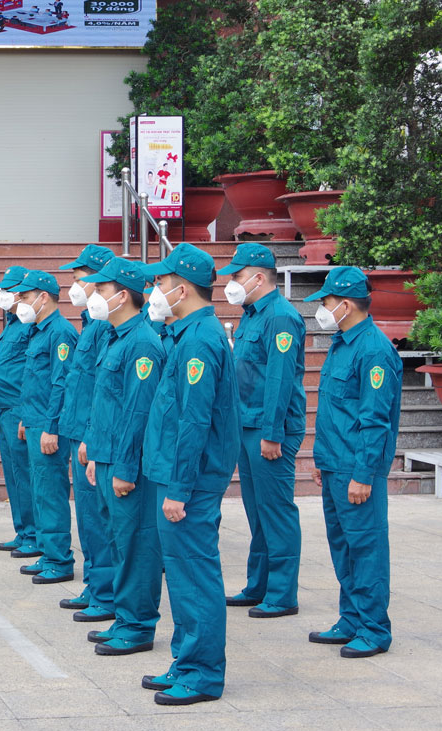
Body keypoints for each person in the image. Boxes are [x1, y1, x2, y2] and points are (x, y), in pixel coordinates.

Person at [139, 243, 240, 706]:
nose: (155, 290)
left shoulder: (200, 339)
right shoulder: (187, 333)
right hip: (180, 473)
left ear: (181, 289)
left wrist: (178, 488)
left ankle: (201, 674)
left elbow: (195, 420)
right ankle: (186, 660)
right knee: (181, 575)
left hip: (191, 480)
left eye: (160, 283)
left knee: (194, 574)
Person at [303, 267, 401, 659]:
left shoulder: (374, 350)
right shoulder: (342, 343)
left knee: (366, 548)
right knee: (343, 547)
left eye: (325, 302)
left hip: (358, 470)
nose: (321, 309)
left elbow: (375, 420)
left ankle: (375, 629)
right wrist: (322, 461)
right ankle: (352, 619)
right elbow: (335, 412)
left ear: (345, 305)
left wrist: (363, 474)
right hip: (335, 464)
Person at [80, 256, 167, 654]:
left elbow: (138, 412)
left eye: (102, 290)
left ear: (125, 296)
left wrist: (126, 467)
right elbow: (106, 403)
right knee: (119, 541)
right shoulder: (115, 337)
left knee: (136, 544)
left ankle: (138, 625)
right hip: (108, 454)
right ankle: (125, 616)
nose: (94, 296)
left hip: (127, 460)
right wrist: (95, 450)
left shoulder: (143, 343)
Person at [218, 243, 306, 618]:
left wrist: (272, 432)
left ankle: (282, 594)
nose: (232, 283)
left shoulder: (281, 318)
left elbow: (279, 381)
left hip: (269, 429)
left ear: (258, 277)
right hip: (246, 422)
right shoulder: (251, 314)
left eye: (238, 277)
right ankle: (259, 585)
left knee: (276, 510)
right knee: (258, 511)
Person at [8, 269, 79, 584]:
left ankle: (60, 560)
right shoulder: (38, 330)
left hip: (50, 426)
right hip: (35, 421)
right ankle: (49, 553)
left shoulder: (60, 332)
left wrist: (51, 426)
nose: (20, 302)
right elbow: (33, 382)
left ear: (43, 297)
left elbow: (61, 384)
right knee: (40, 490)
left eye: (24, 296)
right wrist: (27, 418)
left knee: (51, 492)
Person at [56, 245, 115, 617]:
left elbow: (103, 389)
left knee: (99, 520)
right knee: (88, 520)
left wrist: (91, 435)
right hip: (80, 430)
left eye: (80, 280)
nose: (75, 287)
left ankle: (105, 593)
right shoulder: (90, 323)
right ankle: (95, 585)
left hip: (93, 435)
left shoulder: (108, 327)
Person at [0, 265, 39, 558]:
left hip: (21, 409)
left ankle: (34, 534)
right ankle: (22, 530)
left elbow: (31, 374)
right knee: (13, 475)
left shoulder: (31, 325)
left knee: (24, 473)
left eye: (10, 291)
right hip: (7, 409)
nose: (4, 296)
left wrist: (25, 412)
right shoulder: (12, 323)